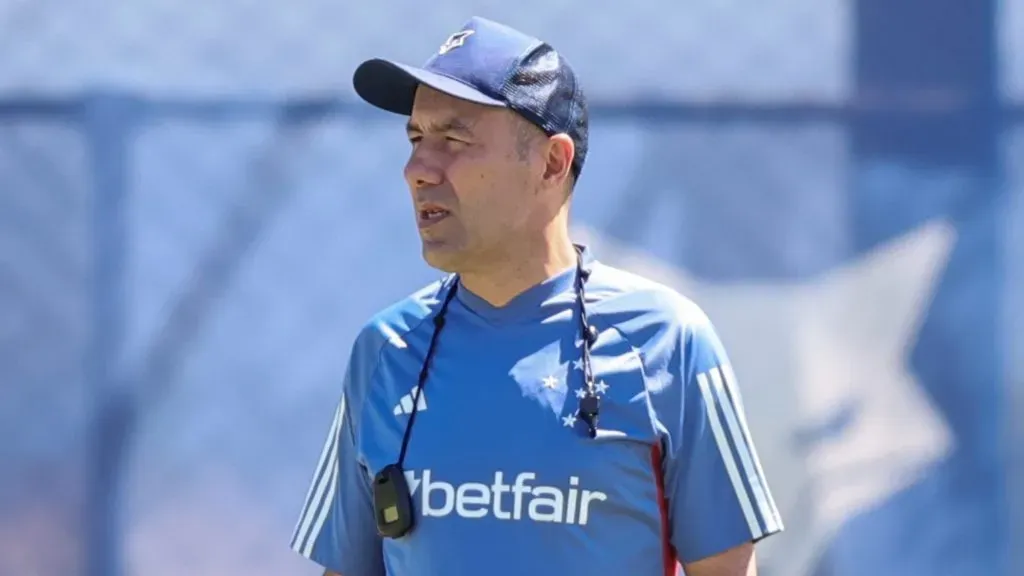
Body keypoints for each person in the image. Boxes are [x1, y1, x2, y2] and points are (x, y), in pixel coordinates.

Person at [289, 16, 783, 576]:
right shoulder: (384, 350)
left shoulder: (668, 341)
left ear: (552, 163)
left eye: (453, 140)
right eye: (416, 138)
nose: (417, 170)